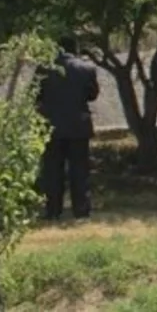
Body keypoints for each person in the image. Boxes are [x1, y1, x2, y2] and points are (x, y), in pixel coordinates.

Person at [35, 36, 100, 220]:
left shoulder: (44, 69)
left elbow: (36, 96)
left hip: (51, 127)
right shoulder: (87, 68)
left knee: (53, 170)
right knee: (80, 169)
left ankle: (53, 209)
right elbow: (92, 95)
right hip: (78, 125)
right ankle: (81, 209)